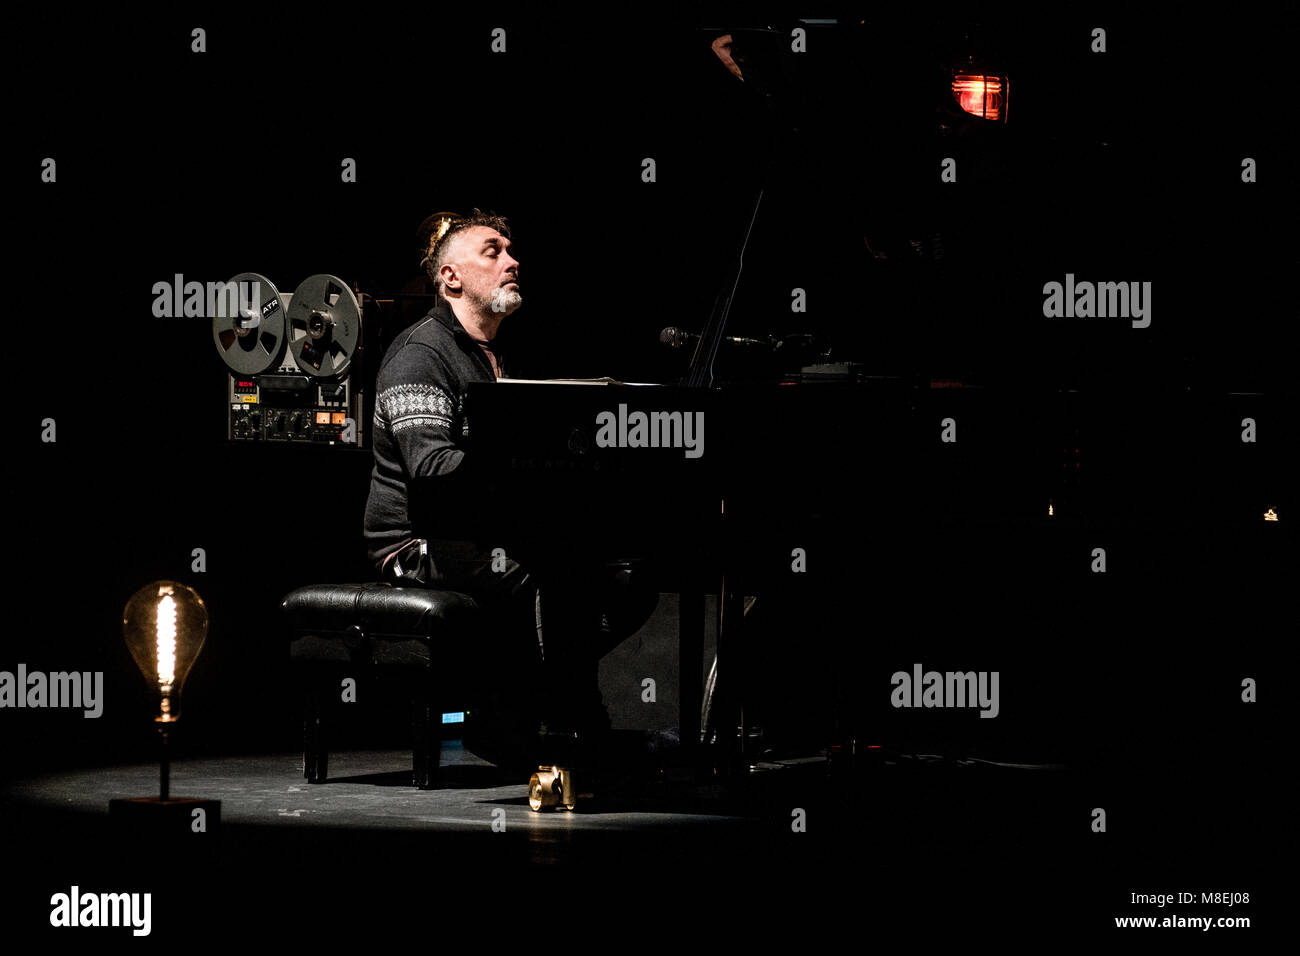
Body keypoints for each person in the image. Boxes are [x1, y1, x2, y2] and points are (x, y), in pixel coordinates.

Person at [363, 209, 655, 767]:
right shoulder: (419, 356)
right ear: (450, 278)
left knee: (625, 573)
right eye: (493, 251)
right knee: (543, 571)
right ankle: (554, 724)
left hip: (477, 529)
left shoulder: (494, 357)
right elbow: (431, 466)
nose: (513, 261)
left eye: (511, 250)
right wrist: (524, 476)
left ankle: (535, 711)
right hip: (415, 543)